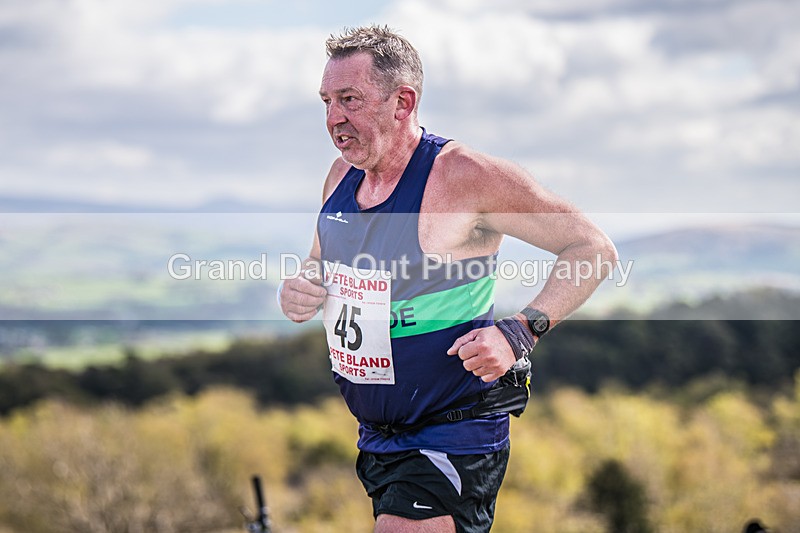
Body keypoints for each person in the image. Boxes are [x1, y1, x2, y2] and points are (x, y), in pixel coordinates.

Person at [278, 25, 617, 533]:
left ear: (403, 102)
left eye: (349, 99)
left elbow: (592, 248)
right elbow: (320, 264)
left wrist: (521, 332)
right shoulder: (339, 177)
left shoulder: (463, 176)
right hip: (376, 437)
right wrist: (300, 287)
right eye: (326, 100)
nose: (333, 118)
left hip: (452, 432)